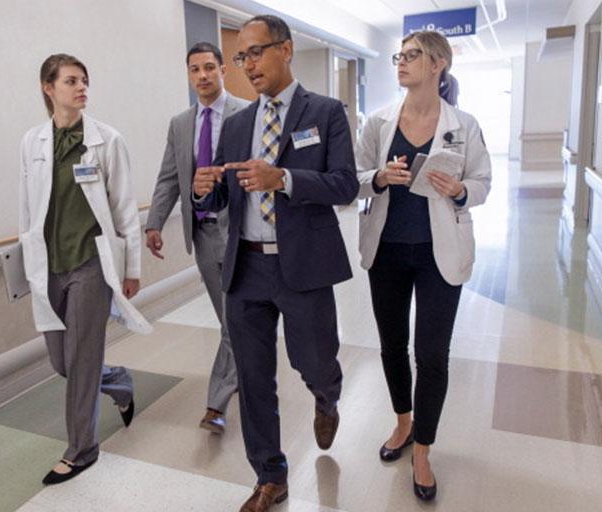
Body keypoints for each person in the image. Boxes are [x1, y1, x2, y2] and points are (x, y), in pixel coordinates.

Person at [193, 15, 359, 512]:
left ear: (285, 50)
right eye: (241, 57)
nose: (248, 65)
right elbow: (226, 194)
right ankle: (271, 476)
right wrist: (206, 190)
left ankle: (326, 396)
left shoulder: (325, 113)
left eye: (256, 52)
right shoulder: (237, 124)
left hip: (303, 265)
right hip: (246, 268)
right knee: (253, 377)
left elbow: (345, 185)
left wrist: (283, 178)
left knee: (315, 362)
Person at [354, 30, 491, 502]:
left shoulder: (464, 124)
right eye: (400, 54)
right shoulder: (378, 123)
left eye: (412, 55)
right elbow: (354, 178)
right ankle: (403, 423)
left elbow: (483, 180)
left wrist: (461, 190)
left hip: (439, 254)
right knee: (392, 345)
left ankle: (424, 450)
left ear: (438, 64)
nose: (401, 61)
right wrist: (378, 177)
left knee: (432, 355)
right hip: (387, 251)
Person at [18, 53, 151, 485]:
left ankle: (81, 450)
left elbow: (124, 207)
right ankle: (119, 382)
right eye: (71, 81)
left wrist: (132, 268)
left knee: (80, 360)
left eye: (84, 81)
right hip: (49, 266)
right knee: (63, 363)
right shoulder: (32, 142)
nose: (82, 88)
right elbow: (26, 209)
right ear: (48, 87)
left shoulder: (106, 141)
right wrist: (24, 263)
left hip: (91, 263)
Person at [144, 41, 249, 434]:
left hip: (240, 232)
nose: (202, 75)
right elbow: (169, 177)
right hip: (203, 233)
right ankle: (247, 371)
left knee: (233, 320)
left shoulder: (247, 113)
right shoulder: (180, 124)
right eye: (195, 69)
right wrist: (154, 223)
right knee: (230, 318)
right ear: (189, 75)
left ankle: (216, 404)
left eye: (209, 67)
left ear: (223, 69)